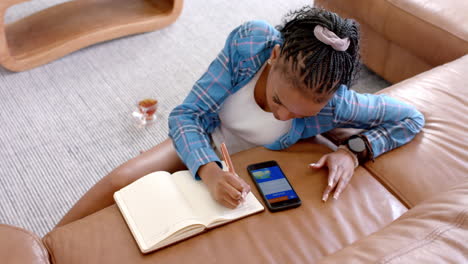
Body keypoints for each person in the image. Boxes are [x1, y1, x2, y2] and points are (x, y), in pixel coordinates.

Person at [56, 6, 424, 227]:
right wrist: (210, 170)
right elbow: (187, 115)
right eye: (278, 99)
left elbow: (410, 119)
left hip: (258, 165)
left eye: (297, 113)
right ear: (275, 56)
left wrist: (353, 151)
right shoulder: (252, 44)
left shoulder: (337, 104)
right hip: (207, 139)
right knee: (120, 182)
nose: (279, 114)